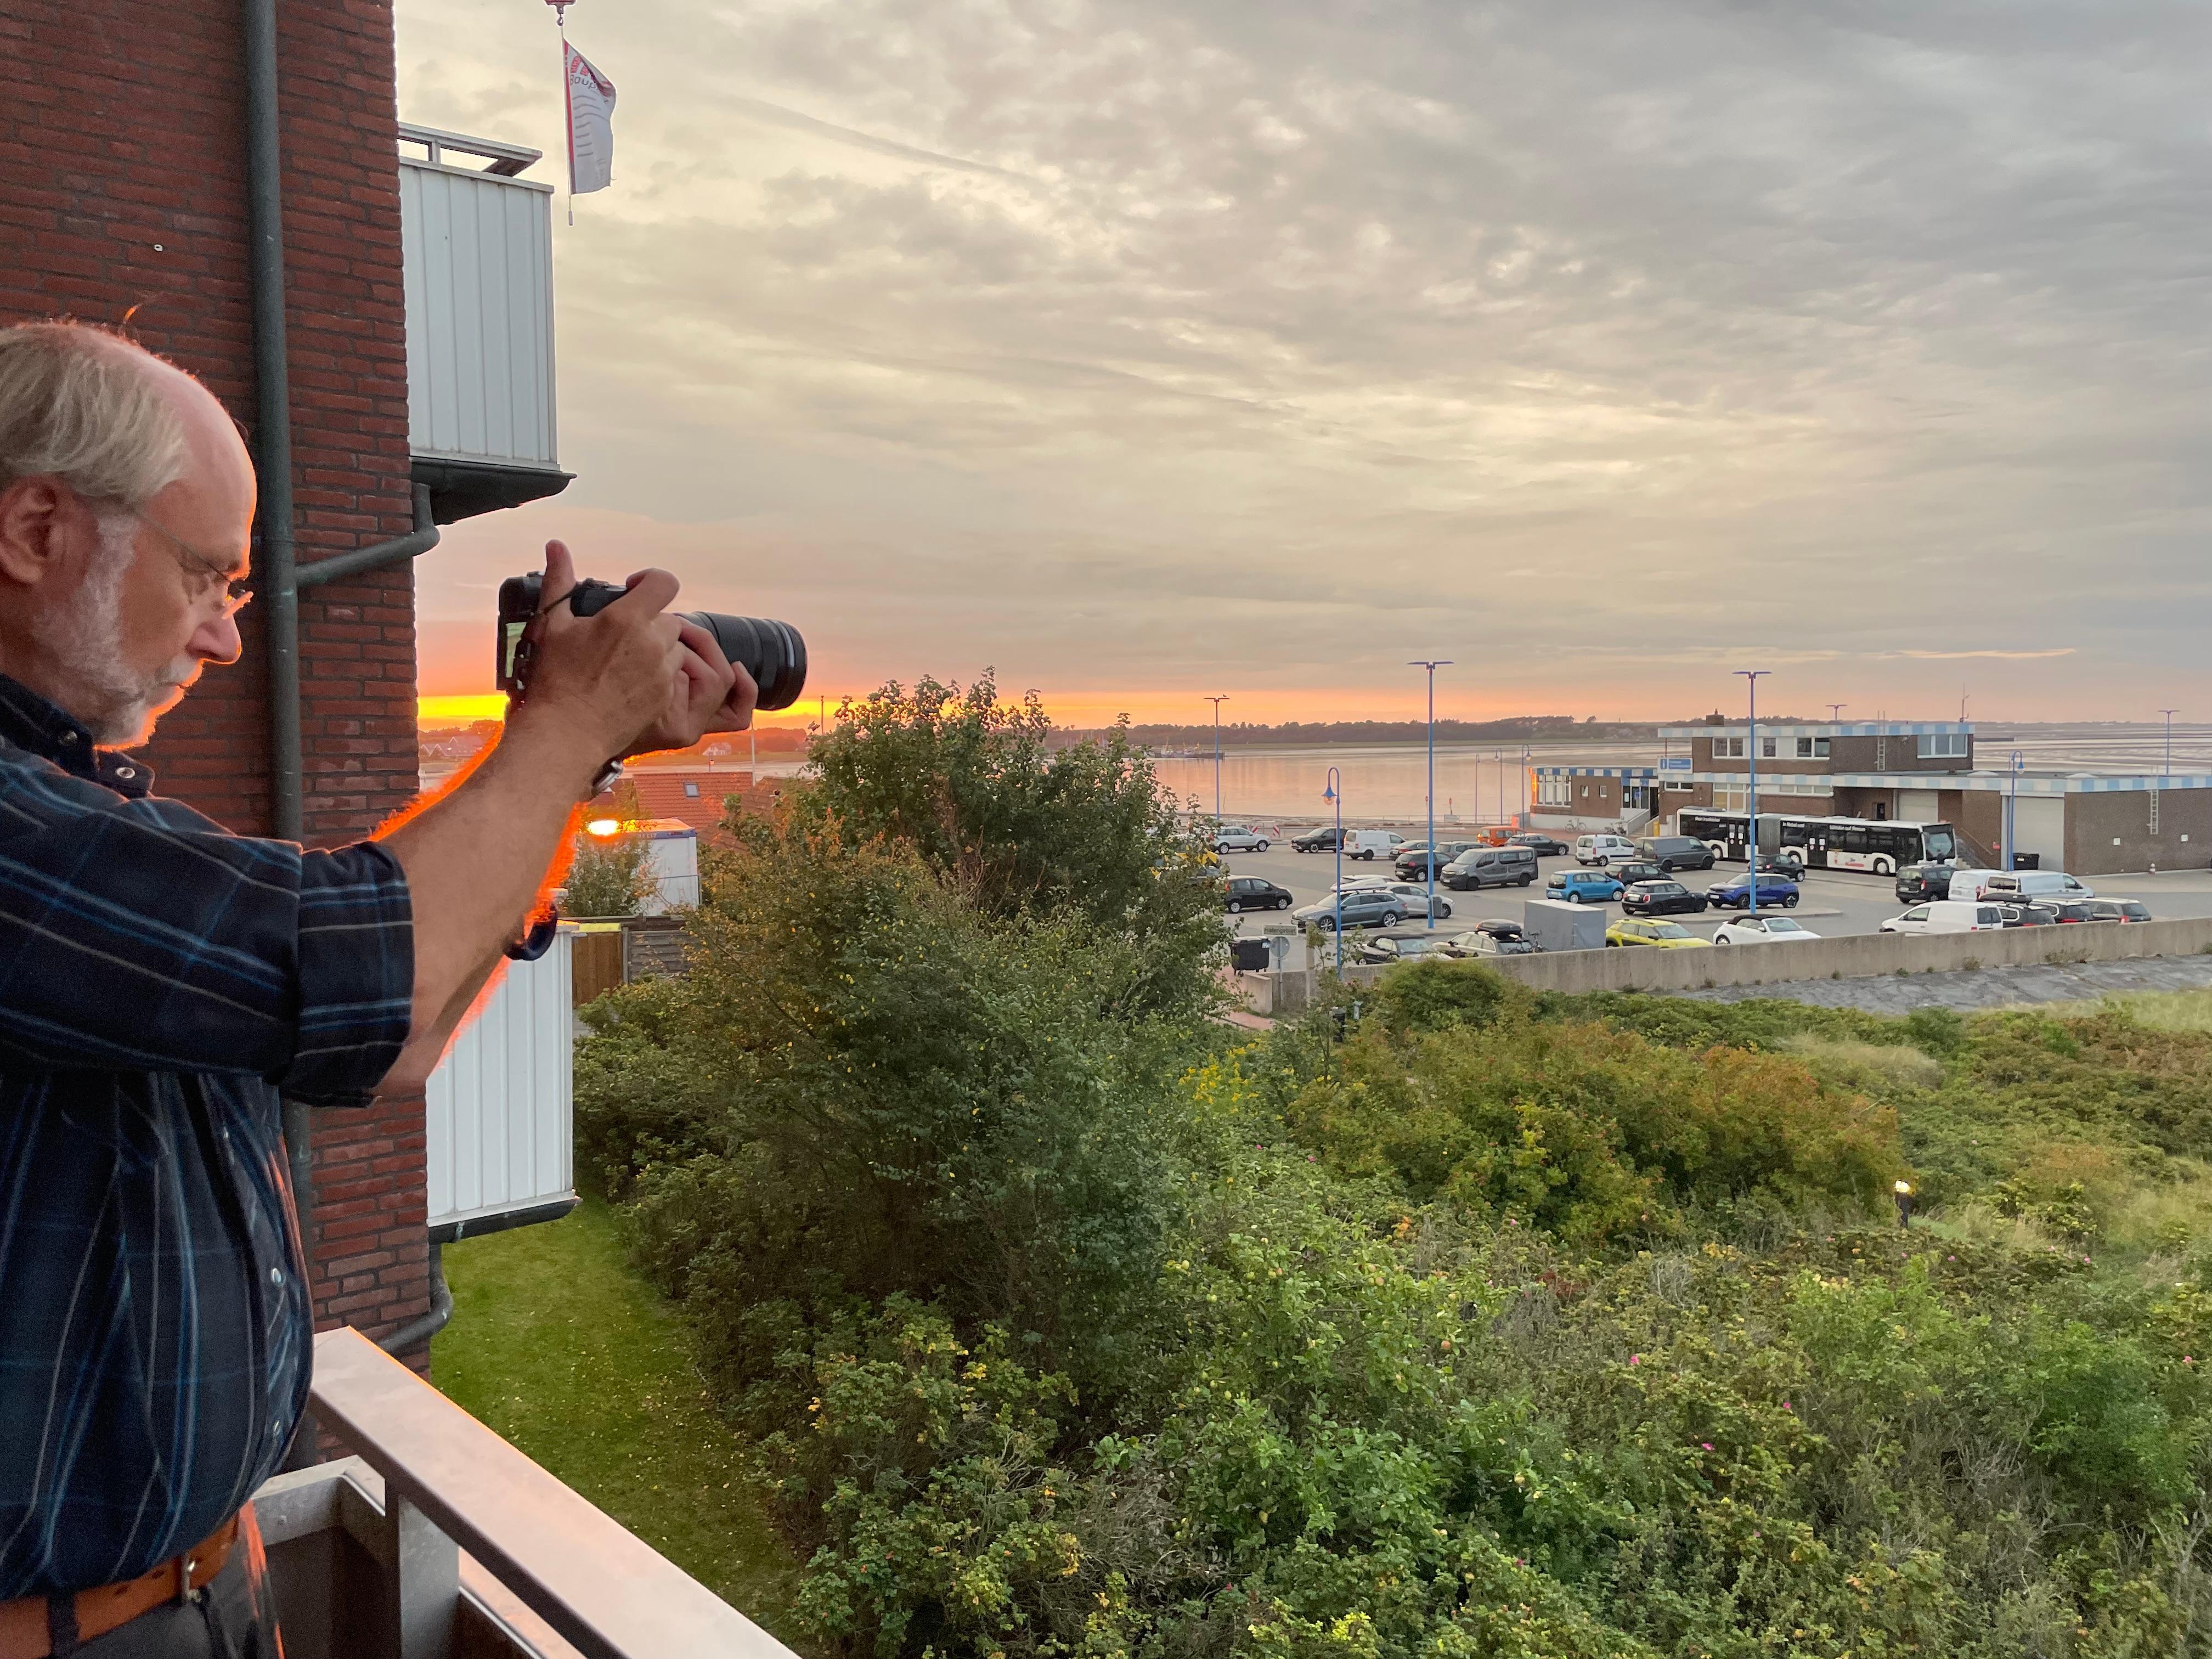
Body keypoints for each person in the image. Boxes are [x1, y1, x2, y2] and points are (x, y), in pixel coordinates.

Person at [0, 321, 754, 1656]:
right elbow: (371, 970)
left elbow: (397, 1022)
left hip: (192, 1590)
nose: (225, 639)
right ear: (36, 527)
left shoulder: (74, 814)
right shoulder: (24, 840)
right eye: (207, 575)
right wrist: (566, 725)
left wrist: (570, 763)